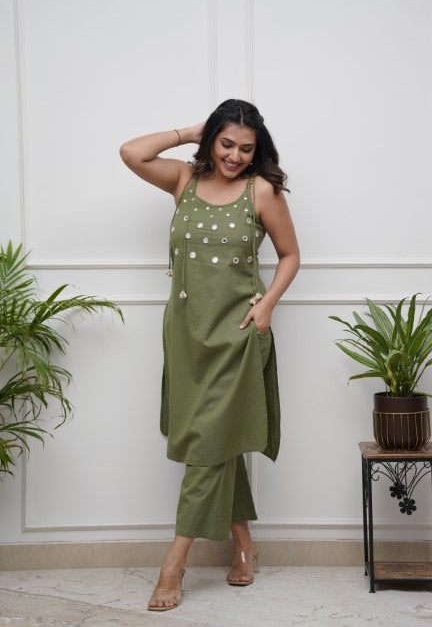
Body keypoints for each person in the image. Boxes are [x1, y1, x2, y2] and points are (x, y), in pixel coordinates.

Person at [119, 98, 300, 611]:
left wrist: (267, 304)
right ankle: (244, 545)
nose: (235, 156)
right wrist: (189, 131)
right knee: (215, 442)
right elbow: (131, 152)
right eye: (226, 143)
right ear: (211, 139)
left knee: (206, 447)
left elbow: (291, 255)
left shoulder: (261, 191)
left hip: (237, 336)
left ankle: (173, 565)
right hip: (186, 335)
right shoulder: (184, 180)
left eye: (246, 148)